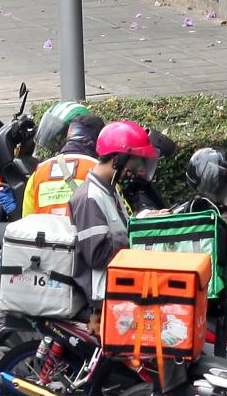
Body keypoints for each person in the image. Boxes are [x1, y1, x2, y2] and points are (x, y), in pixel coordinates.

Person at [67, 120, 159, 313]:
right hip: (105, 300)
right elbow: (98, 255)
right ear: (118, 158)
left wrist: (145, 220)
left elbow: (119, 230)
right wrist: (136, 230)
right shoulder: (89, 197)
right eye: (136, 161)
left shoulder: (110, 191)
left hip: (121, 289)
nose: (138, 170)